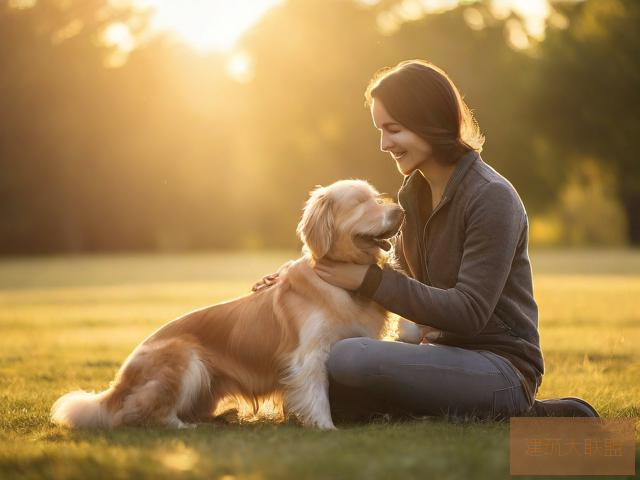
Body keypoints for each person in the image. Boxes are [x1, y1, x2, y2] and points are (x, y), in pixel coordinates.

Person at [255, 60, 598, 421]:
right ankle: (429, 413)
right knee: (325, 371)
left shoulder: (491, 197)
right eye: (380, 131)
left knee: (349, 358)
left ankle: (542, 416)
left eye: (393, 129)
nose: (384, 144)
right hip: (437, 355)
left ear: (428, 123)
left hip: (502, 368)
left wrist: (369, 282)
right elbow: (379, 265)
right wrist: (300, 274)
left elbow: (468, 312)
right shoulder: (414, 197)